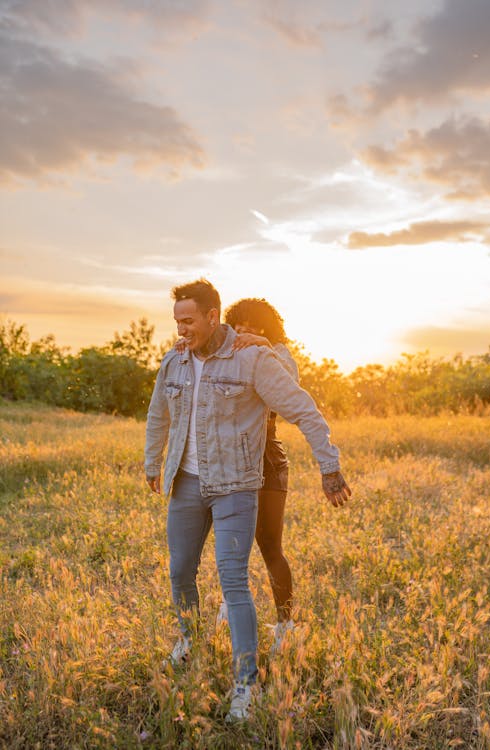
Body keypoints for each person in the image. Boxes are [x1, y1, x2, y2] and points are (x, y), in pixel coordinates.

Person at [145, 279, 351, 722]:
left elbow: (302, 407)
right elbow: (158, 413)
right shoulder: (174, 361)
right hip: (186, 482)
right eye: (176, 321)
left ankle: (246, 683)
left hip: (238, 480)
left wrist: (329, 466)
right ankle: (189, 640)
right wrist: (151, 461)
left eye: (188, 320)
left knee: (234, 578)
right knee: (180, 570)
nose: (181, 329)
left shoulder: (252, 357)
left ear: (211, 316)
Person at [217, 298, 298, 650]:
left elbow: (289, 389)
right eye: (240, 327)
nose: (246, 333)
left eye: (255, 327)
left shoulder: (278, 353)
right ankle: (229, 610)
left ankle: (286, 626)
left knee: (269, 544)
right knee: (231, 545)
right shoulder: (225, 353)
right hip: (228, 457)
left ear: (268, 330)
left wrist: (265, 347)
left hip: (266, 457)